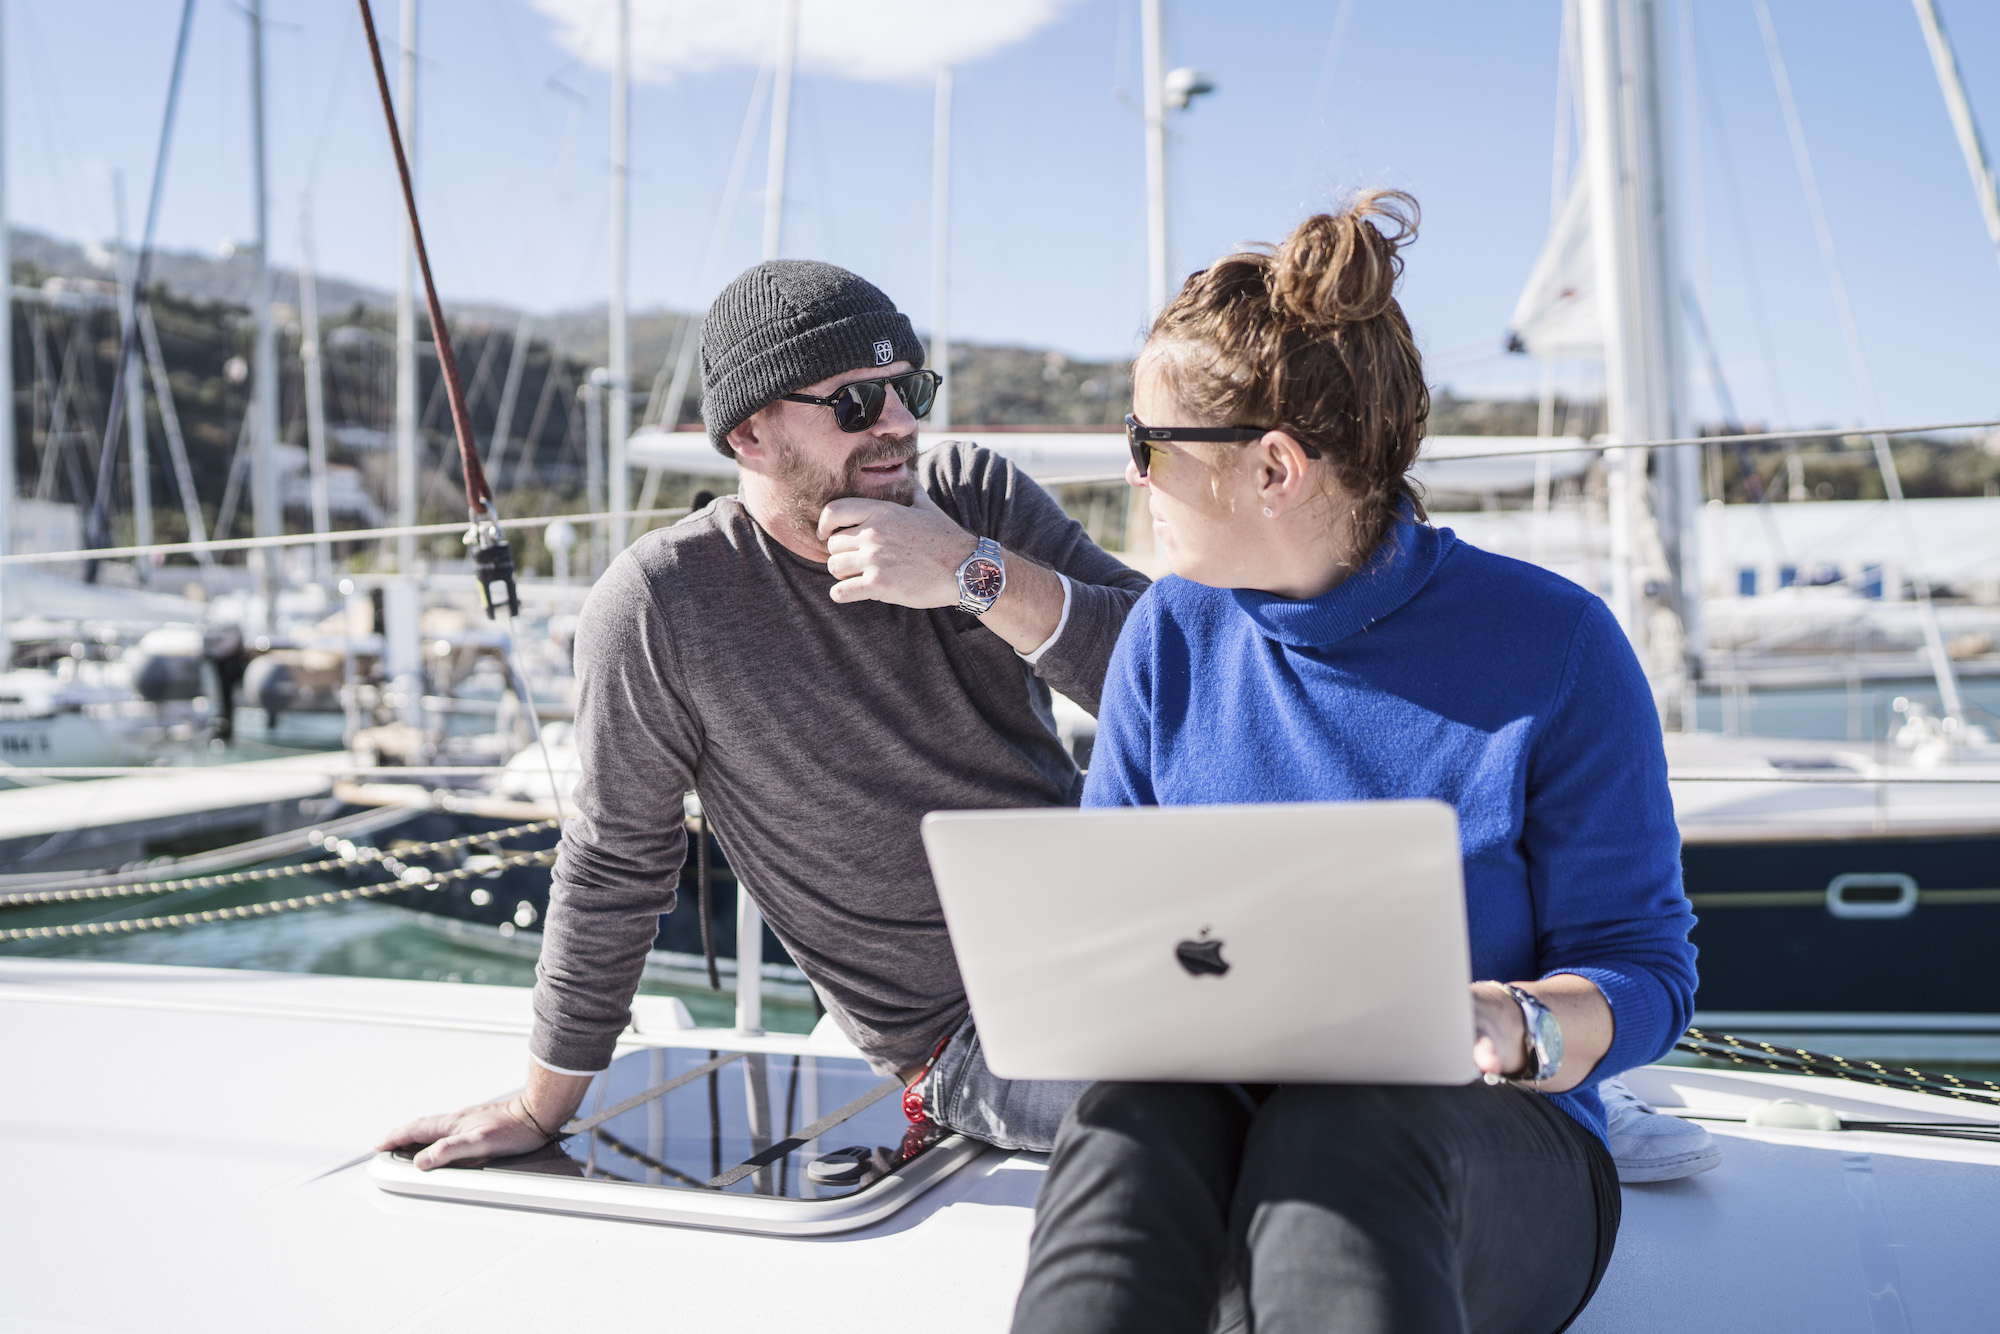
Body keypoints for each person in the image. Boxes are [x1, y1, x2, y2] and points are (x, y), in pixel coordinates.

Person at [1008, 194, 1700, 1334]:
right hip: (1222, 1120)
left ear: (1271, 466)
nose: (1131, 476)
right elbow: (1114, 945)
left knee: (1349, 1120)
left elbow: (1643, 968)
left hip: (1481, 1146)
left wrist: (1515, 1020)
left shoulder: (1555, 647)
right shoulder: (1167, 637)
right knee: (1127, 1118)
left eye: (1146, 443)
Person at [378, 259, 1147, 1168]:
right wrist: (543, 1107)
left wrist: (969, 572)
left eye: (910, 389)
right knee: (1216, 1122)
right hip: (971, 1034)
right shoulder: (664, 603)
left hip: (1126, 944)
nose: (899, 422)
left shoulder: (973, 498)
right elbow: (617, 861)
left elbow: (1169, 679)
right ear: (748, 435)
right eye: (856, 403)